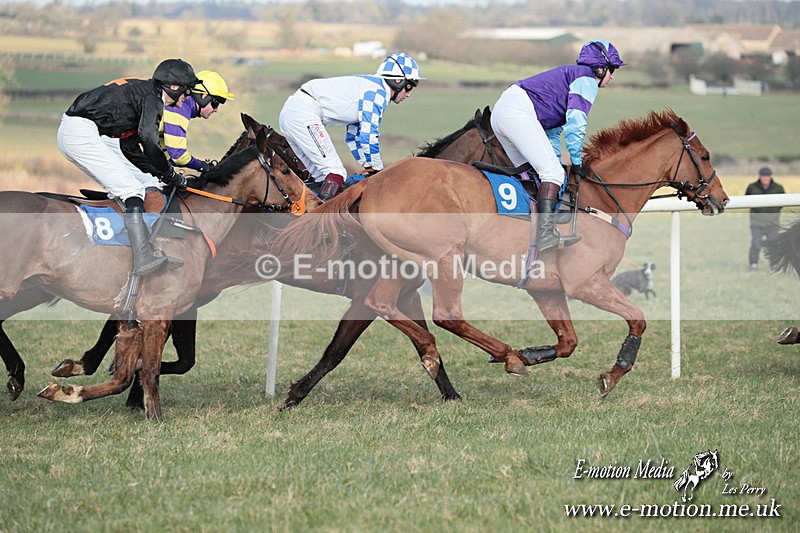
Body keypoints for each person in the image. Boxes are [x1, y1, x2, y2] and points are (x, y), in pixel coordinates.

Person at [57, 59, 201, 276]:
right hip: (81, 132)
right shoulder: (154, 100)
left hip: (83, 131)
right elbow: (150, 141)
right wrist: (170, 173)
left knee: (143, 185)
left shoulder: (145, 94)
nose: (186, 98)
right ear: (173, 86)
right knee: (132, 191)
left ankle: (140, 244)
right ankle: (142, 256)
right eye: (186, 91)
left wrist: (162, 175)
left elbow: (130, 149)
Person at [490, 39, 625, 253]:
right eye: (612, 69)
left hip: (503, 113)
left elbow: (552, 131)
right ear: (600, 68)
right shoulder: (586, 79)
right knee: (551, 174)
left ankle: (521, 232)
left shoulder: (572, 76)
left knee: (534, 175)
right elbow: (576, 123)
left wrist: (559, 162)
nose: (612, 76)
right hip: (517, 113)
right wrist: (576, 161)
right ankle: (544, 235)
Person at [279, 52, 423, 200]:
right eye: (409, 86)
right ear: (398, 81)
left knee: (321, 177)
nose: (408, 94)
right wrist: (379, 169)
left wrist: (369, 166)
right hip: (304, 113)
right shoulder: (377, 93)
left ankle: (303, 208)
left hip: (292, 112)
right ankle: (323, 212)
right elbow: (369, 136)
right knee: (336, 172)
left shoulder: (371, 87)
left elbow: (354, 137)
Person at [745, 167, 784, 271]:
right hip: (757, 222)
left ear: (770, 176)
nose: (765, 178)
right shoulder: (752, 187)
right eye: (763, 176)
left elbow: (782, 203)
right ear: (760, 176)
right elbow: (746, 201)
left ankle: (774, 264)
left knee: (773, 244)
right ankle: (753, 264)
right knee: (756, 244)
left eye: (767, 176)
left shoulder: (778, 188)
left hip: (773, 223)